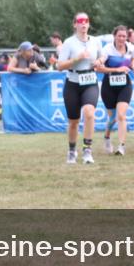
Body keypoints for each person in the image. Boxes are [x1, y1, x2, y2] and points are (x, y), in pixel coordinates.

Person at [56, 12, 101, 165]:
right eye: (80, 21)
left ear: (89, 24)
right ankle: (71, 151)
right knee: (73, 122)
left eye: (86, 21)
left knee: (89, 113)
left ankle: (87, 150)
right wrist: (77, 58)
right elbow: (59, 66)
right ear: (75, 24)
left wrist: (99, 62)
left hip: (90, 81)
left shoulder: (95, 41)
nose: (83, 24)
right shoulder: (69, 43)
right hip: (73, 83)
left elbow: (102, 58)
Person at [95, 24, 134, 156]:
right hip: (108, 86)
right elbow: (99, 68)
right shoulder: (107, 49)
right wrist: (116, 69)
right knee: (112, 118)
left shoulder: (131, 48)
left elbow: (131, 61)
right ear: (114, 36)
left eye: (124, 36)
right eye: (119, 36)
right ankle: (107, 137)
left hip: (125, 85)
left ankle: (121, 146)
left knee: (121, 115)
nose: (122, 38)